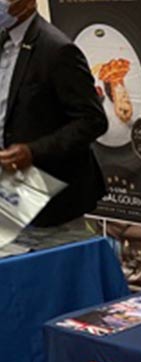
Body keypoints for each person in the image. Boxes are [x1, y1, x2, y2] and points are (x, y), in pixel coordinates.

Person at [0, 0, 108, 226]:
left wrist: (32, 151)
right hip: (9, 192)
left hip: (50, 196)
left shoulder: (57, 50)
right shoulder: (3, 40)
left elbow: (92, 120)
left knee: (50, 249)